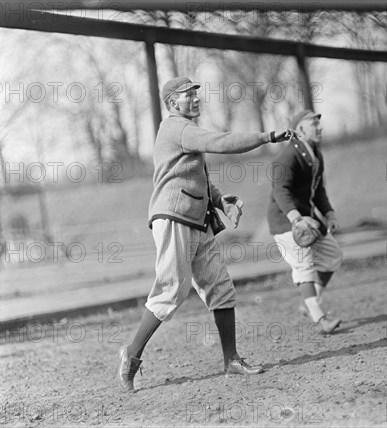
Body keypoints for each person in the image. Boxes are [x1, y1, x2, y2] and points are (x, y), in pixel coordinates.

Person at [118, 76, 295, 391]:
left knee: (220, 287)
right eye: (189, 94)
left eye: (196, 94)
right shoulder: (175, 128)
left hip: (196, 220)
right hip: (173, 217)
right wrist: (266, 136)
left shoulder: (184, 131)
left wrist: (218, 198)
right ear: (174, 102)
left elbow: (193, 175)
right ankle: (131, 355)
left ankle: (232, 360)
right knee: (172, 290)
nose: (196, 99)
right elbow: (221, 142)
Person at [267, 109, 343, 334]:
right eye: (313, 124)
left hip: (308, 220)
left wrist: (328, 213)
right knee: (304, 266)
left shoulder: (315, 154)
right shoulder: (287, 157)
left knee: (332, 255)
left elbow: (318, 190)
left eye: (319, 123)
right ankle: (320, 318)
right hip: (287, 222)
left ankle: (310, 303)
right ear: (299, 130)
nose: (319, 127)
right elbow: (280, 190)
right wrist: (295, 218)